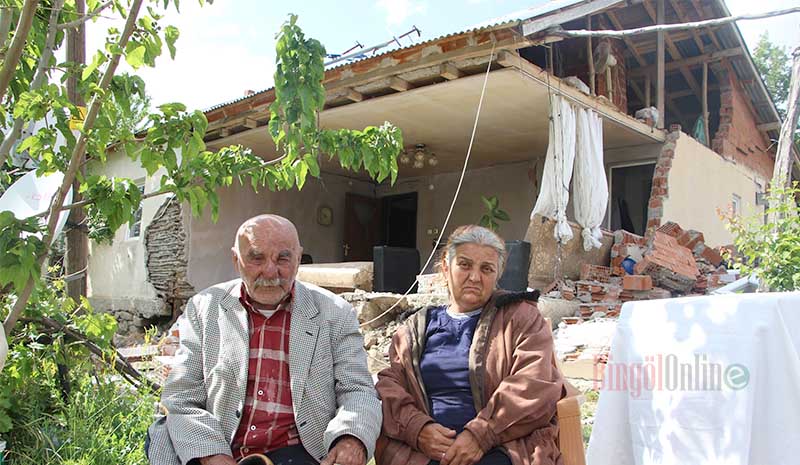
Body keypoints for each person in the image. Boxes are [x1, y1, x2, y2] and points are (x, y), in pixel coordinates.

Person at [147, 214, 381, 465]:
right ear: (236, 260)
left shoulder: (335, 313)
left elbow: (357, 390)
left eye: (283, 258)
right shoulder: (205, 308)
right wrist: (211, 454)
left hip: (298, 450)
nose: (270, 271)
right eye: (256, 258)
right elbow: (182, 395)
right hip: (220, 441)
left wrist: (351, 439)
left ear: (298, 259)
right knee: (165, 436)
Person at [375, 225, 564, 465]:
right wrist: (418, 430)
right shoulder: (415, 329)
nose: (475, 277)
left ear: (497, 275)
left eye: (486, 269)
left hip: (502, 446)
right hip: (426, 450)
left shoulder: (520, 319)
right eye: (465, 265)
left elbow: (534, 383)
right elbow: (390, 386)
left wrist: (480, 435)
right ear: (446, 267)